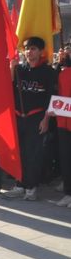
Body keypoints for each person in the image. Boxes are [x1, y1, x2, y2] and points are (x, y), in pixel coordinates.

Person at [6, 37, 55, 200]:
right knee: (18, 153)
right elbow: (8, 91)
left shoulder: (48, 71)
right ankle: (20, 184)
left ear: (41, 51)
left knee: (33, 154)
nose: (29, 52)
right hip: (19, 117)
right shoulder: (19, 70)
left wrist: (46, 119)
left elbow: (51, 97)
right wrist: (11, 70)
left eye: (33, 49)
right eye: (27, 49)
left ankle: (31, 187)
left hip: (37, 117)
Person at [50, 49, 71, 206]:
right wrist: (59, 63)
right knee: (65, 157)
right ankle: (68, 192)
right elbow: (53, 83)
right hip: (63, 122)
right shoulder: (63, 71)